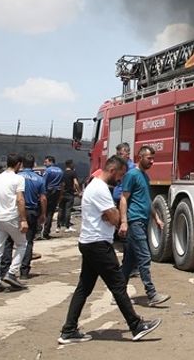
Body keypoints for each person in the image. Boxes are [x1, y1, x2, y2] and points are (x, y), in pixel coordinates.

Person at [58, 155, 161, 344]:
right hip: (98, 245)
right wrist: (114, 216)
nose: (120, 180)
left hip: (90, 242)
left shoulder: (94, 187)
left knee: (84, 288)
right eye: (120, 175)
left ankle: (69, 329)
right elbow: (113, 217)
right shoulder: (100, 189)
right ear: (112, 170)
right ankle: (136, 325)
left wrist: (110, 214)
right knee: (118, 286)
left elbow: (110, 214)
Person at [119, 146, 170, 306]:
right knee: (145, 257)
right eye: (149, 158)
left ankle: (118, 293)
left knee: (129, 261)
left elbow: (147, 201)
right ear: (140, 157)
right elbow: (123, 198)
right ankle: (152, 294)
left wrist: (156, 218)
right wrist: (124, 222)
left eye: (153, 158)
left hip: (142, 221)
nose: (152, 161)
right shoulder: (132, 175)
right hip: (134, 222)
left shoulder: (145, 177)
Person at [0, 153, 30, 294]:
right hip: (11, 217)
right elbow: (20, 200)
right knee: (22, 245)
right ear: (18, 164)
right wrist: (23, 219)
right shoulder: (18, 179)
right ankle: (11, 273)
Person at [12, 154, 46, 278]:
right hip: (32, 212)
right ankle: (24, 271)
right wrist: (43, 214)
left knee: (11, 240)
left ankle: (8, 269)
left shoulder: (16, 177)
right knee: (28, 241)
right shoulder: (39, 179)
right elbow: (43, 198)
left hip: (16, 211)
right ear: (34, 164)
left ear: (22, 164)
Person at [41, 155, 63, 240]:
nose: (44, 163)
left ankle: (41, 232)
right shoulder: (60, 170)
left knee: (43, 212)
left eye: (46, 162)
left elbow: (43, 183)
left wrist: (41, 194)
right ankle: (47, 232)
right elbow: (62, 184)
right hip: (57, 192)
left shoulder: (48, 171)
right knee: (50, 213)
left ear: (51, 161)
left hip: (48, 192)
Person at [57, 159, 80, 232]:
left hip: (62, 194)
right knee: (68, 210)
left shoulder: (62, 173)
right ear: (70, 164)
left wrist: (60, 194)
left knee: (60, 210)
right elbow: (76, 183)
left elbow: (62, 185)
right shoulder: (73, 173)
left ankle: (58, 227)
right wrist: (79, 191)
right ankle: (67, 227)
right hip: (70, 194)